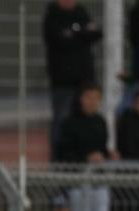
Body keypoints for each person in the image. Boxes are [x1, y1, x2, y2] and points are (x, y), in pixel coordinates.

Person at [57, 83, 115, 211]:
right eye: (89, 97)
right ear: (81, 99)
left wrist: (108, 155)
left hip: (98, 182)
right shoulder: (69, 123)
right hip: (78, 184)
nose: (93, 102)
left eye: (96, 98)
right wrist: (85, 158)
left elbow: (102, 149)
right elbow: (64, 154)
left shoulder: (100, 121)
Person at [42, 0, 101, 160]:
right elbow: (59, 39)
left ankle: (86, 161)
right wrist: (82, 32)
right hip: (63, 82)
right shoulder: (52, 16)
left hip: (84, 81)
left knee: (89, 121)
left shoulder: (81, 12)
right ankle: (59, 164)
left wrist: (73, 32)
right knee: (61, 122)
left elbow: (96, 33)